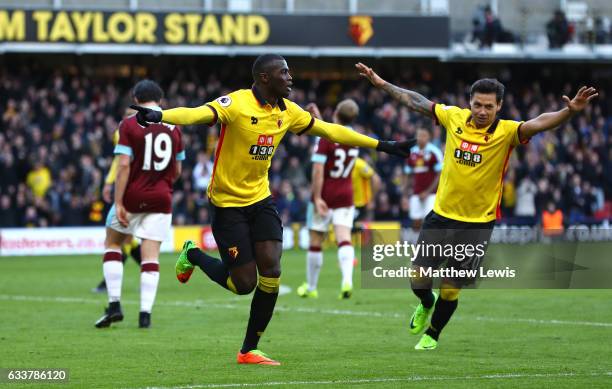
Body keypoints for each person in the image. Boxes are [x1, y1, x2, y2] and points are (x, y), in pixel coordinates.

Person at [130, 54, 415, 365]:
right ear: (265, 78)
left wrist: (382, 145)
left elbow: (332, 131)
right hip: (227, 205)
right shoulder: (237, 103)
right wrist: (161, 116)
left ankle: (248, 349)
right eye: (284, 72)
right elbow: (197, 114)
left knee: (272, 268)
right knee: (244, 285)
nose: (291, 78)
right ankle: (193, 255)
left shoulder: (289, 112)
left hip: (261, 200)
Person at [356, 62, 597, 350]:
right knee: (418, 278)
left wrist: (569, 111)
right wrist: (383, 84)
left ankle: (432, 334)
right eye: (477, 105)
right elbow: (418, 102)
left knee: (450, 287)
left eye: (489, 106)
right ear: (470, 103)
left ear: (500, 107)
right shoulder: (454, 117)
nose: (482, 111)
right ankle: (425, 302)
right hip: (441, 216)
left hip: (477, 225)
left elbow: (539, 122)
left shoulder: (508, 132)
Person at [95, 80, 185, 329]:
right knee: (150, 257)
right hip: (162, 197)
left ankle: (114, 304)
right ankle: (145, 315)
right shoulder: (174, 127)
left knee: (113, 243)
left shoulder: (129, 124)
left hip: (133, 195)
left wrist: (119, 201)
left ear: (135, 98)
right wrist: (162, 182)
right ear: (160, 100)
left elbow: (123, 164)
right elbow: (177, 170)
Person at [296, 99, 361, 300]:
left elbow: (318, 170)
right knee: (344, 238)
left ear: (336, 113)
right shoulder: (353, 137)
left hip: (325, 194)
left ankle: (311, 287)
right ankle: (347, 280)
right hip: (346, 194)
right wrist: (318, 117)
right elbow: (334, 137)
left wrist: (316, 197)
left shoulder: (325, 138)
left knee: (316, 241)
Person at [92, 108, 142, 294]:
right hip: (127, 188)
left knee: (116, 236)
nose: (127, 118)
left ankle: (108, 282)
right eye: (125, 115)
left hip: (134, 190)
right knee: (127, 238)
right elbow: (118, 161)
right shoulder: (120, 132)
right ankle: (149, 268)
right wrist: (108, 182)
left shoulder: (146, 131)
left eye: (131, 115)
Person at [403, 128, 443, 235]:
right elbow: (408, 174)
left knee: (430, 222)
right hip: (416, 193)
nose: (421, 138)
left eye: (424, 135)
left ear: (429, 137)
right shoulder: (412, 153)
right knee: (416, 222)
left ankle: (431, 248)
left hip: (431, 194)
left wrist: (427, 192)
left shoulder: (434, 152)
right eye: (419, 135)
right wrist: (405, 196)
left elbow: (440, 174)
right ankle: (418, 247)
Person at [352, 155, 381, 222]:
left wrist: (371, 200)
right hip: (348, 203)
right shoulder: (343, 163)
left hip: (362, 204)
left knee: (363, 229)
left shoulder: (359, 163)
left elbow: (376, 180)